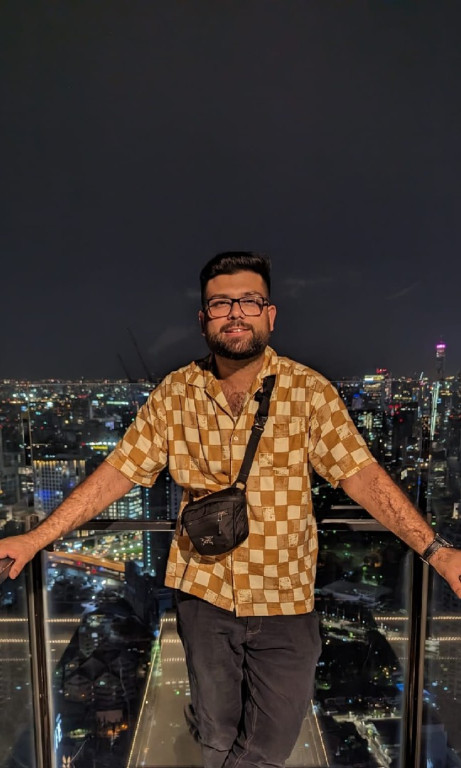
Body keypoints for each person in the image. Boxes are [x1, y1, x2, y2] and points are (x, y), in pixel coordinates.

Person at [1, 251, 461, 768]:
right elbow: (119, 472)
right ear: (203, 319)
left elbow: (363, 476)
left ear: (270, 315)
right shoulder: (176, 394)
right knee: (216, 733)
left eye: (249, 301)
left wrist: (437, 551)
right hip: (205, 593)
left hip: (285, 597)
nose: (236, 313)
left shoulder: (308, 392)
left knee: (274, 739)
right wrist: (36, 538)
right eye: (221, 304)